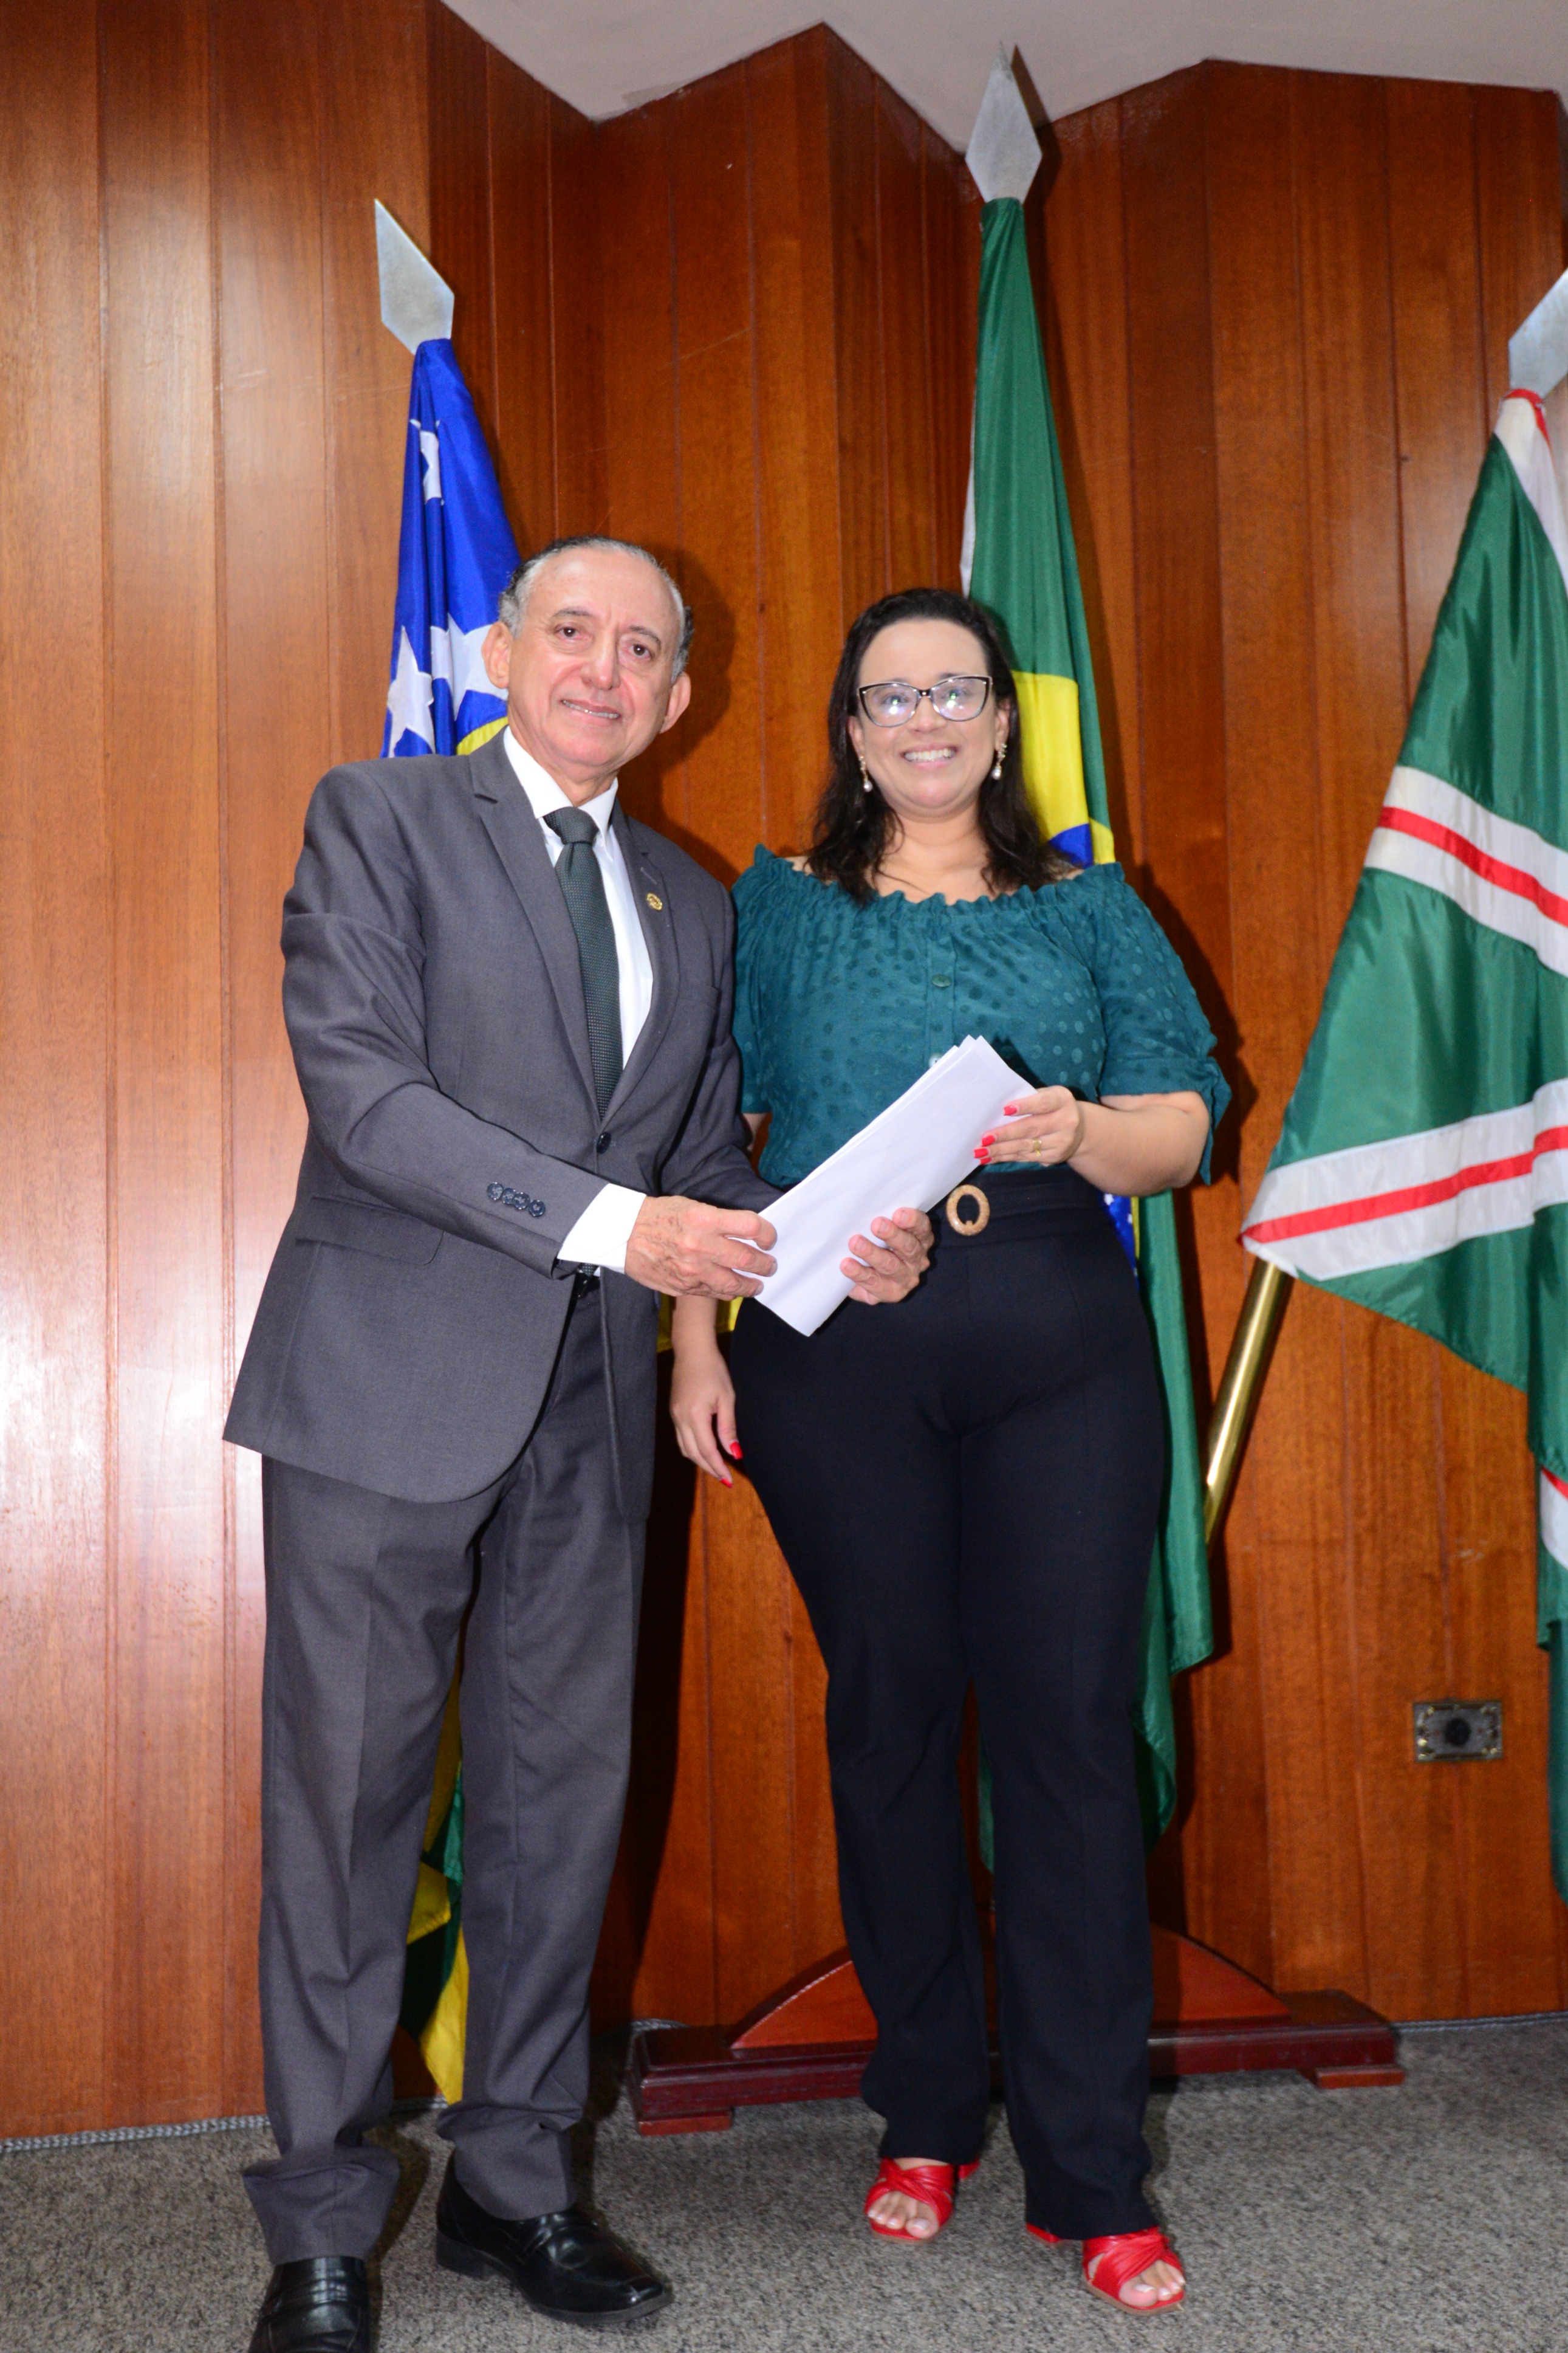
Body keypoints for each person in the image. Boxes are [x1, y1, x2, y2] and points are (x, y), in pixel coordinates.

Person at [225, 536, 933, 2353]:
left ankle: (514, 2188)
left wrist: (825, 1235)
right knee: (348, 1808)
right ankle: (320, 2224)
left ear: (677, 697)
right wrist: (629, 1232)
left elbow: (694, 1160)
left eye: (641, 650)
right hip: (382, 1387)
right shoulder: (380, 818)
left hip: (593, 1411)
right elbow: (366, 1097)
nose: (603, 670)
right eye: (571, 633)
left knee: (558, 1808)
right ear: (501, 652)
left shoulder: (692, 900)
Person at [670, 586, 1229, 2317]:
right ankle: (923, 2111)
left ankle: (1091, 2173)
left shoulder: (1092, 906)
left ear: (1001, 724)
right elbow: (705, 1134)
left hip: (1059, 1339)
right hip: (837, 1340)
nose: (924, 718)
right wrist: (696, 1337)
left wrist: (1079, 1130)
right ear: (853, 731)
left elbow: (1187, 1124)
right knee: (893, 1720)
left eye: (955, 690)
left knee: (1066, 1739)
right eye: (890, 694)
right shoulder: (775, 909)